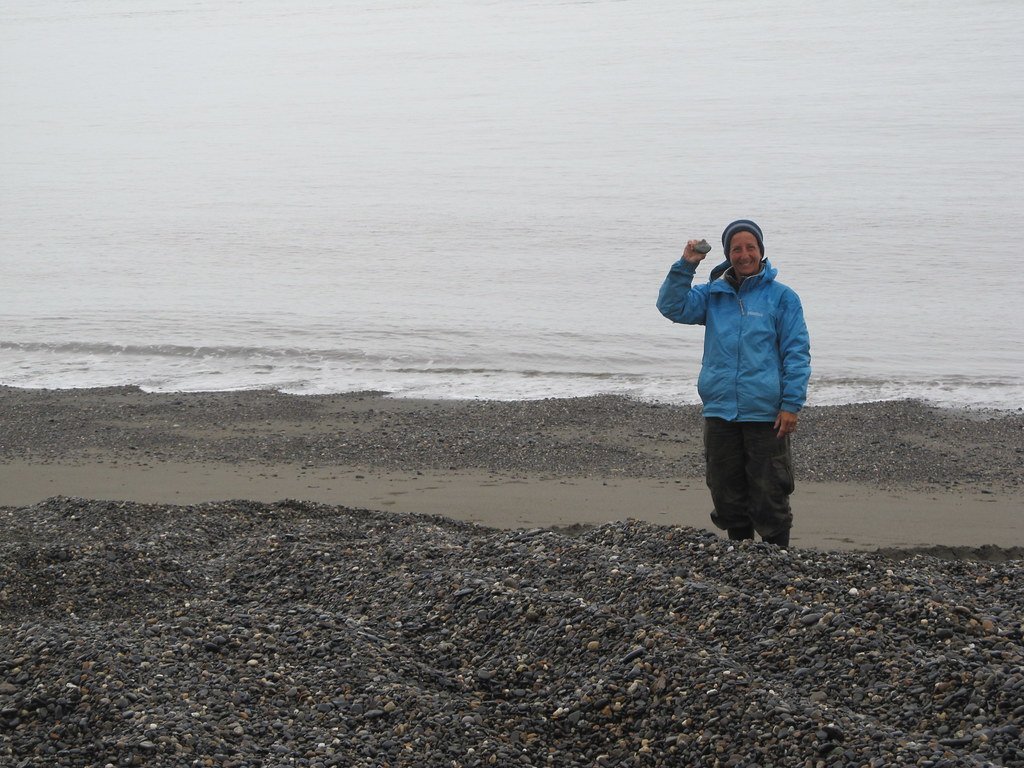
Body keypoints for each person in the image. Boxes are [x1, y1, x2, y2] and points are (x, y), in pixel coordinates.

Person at [656, 219, 811, 547]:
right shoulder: (714, 296)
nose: (744, 254)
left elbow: (797, 354)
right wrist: (686, 264)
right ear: (728, 254)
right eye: (736, 249)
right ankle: (741, 555)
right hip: (720, 412)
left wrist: (791, 405)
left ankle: (776, 559)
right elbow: (671, 306)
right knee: (726, 492)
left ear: (761, 251)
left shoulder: (782, 298)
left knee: (770, 492)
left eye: (750, 247)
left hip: (765, 414)